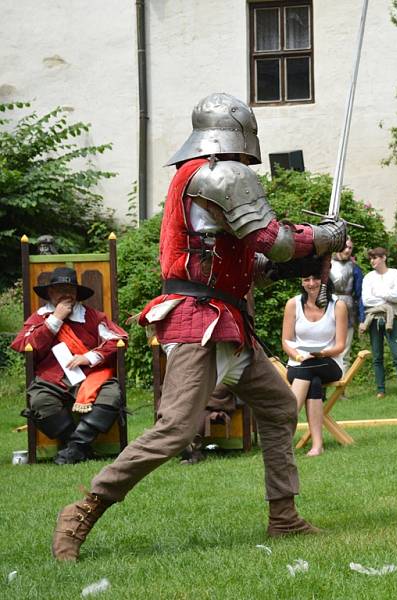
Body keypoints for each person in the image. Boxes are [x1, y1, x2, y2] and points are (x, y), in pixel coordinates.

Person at [51, 93, 347, 561]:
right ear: (239, 135)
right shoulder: (219, 173)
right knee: (175, 430)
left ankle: (284, 517)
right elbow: (276, 239)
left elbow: (250, 261)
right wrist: (326, 235)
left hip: (227, 321)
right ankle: (83, 510)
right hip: (199, 321)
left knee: (275, 407)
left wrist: (300, 260)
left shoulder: (197, 179)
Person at [11, 267, 128, 465]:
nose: (66, 294)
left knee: (112, 395)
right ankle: (78, 446)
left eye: (70, 290)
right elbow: (24, 345)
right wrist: (55, 319)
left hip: (89, 376)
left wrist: (89, 357)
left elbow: (119, 339)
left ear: (77, 294)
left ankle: (74, 448)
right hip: (51, 379)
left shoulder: (92, 316)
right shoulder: (39, 318)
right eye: (60, 289)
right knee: (40, 402)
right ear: (50, 293)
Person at [282, 273, 347, 457]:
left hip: (329, 361)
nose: (311, 283)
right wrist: (297, 356)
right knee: (312, 379)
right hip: (299, 361)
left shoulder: (338, 305)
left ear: (324, 280)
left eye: (315, 278)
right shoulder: (293, 304)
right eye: (306, 280)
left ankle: (284, 435)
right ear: (301, 283)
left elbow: (340, 345)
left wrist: (322, 353)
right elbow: (286, 341)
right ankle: (317, 445)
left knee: (308, 371)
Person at [359, 247, 397, 399]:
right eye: (371, 258)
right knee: (377, 356)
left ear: (383, 258)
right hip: (374, 318)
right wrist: (387, 297)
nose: (372, 261)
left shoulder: (394, 273)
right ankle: (380, 390)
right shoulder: (368, 277)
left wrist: (380, 294)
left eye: (375, 258)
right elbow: (367, 299)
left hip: (392, 318)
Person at [329, 236, 364, 370]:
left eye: (350, 248)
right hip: (329, 308)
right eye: (345, 247)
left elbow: (360, 295)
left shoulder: (355, 268)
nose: (348, 250)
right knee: (327, 349)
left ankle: (342, 389)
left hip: (349, 310)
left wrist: (362, 318)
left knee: (344, 352)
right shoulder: (328, 265)